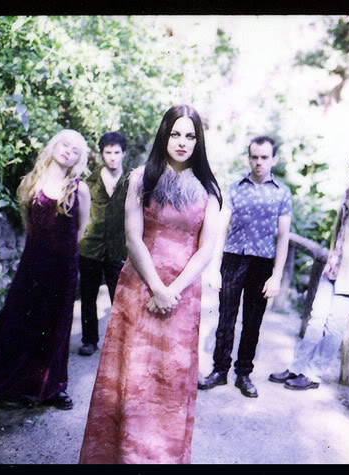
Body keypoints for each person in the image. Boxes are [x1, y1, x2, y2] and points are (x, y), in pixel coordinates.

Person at [78, 104, 222, 464]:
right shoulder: (142, 178)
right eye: (175, 134)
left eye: (190, 136)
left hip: (183, 296)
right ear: (164, 135)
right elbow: (133, 237)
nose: (182, 142)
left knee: (169, 380)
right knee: (133, 375)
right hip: (140, 287)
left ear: (199, 141)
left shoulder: (209, 189)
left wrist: (173, 290)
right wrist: (157, 287)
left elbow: (206, 249)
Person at [0, 129, 91, 410]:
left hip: (63, 268)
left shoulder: (80, 189)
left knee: (55, 326)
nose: (68, 151)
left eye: (75, 150)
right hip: (33, 265)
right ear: (54, 145)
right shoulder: (32, 182)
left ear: (79, 158)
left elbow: (80, 230)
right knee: (15, 319)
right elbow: (29, 224)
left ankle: (52, 387)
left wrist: (62, 257)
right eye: (65, 144)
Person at [269, 153, 349, 390]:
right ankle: (296, 367)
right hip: (333, 269)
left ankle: (313, 374)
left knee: (334, 326)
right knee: (315, 320)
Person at [198, 136, 292, 398]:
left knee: (252, 322)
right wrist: (214, 267)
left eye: (264, 157)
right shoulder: (235, 188)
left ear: (274, 159)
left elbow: (283, 237)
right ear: (249, 158)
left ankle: (244, 373)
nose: (259, 162)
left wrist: (276, 276)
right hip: (233, 258)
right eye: (255, 157)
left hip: (262, 263)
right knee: (226, 318)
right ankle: (219, 370)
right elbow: (221, 228)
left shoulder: (282, 193)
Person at [77, 132, 129, 356]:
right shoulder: (88, 183)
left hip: (119, 249)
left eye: (117, 152)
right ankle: (89, 340)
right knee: (88, 297)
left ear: (124, 154)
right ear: (101, 154)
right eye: (108, 152)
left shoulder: (132, 183)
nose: (113, 157)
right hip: (90, 247)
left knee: (120, 297)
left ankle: (119, 342)